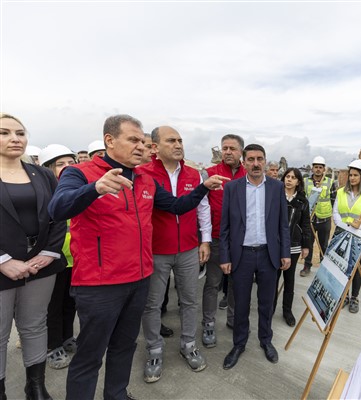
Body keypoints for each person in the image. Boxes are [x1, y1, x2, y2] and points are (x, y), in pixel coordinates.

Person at [48, 114, 228, 400]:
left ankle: (117, 394)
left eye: (142, 141)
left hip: (139, 279)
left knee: (124, 346)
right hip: (99, 285)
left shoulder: (146, 178)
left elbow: (177, 206)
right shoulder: (81, 173)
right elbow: (57, 209)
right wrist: (94, 189)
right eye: (133, 140)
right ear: (110, 140)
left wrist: (203, 188)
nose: (140, 147)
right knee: (91, 355)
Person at [0, 113, 67, 400]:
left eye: (20, 132)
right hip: (3, 266)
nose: (15, 138)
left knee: (34, 324)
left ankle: (35, 385)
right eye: (4, 133)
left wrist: (49, 253)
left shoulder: (41, 174)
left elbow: (58, 214)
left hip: (40, 263)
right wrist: (2, 260)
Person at [138, 126, 212, 383]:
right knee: (152, 303)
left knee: (190, 300)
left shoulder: (193, 173)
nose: (179, 144)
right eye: (172, 140)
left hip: (189, 249)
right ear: (155, 147)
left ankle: (188, 344)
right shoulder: (142, 174)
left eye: (180, 140)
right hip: (156, 250)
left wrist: (205, 240)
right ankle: (155, 350)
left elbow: (203, 208)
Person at [220, 144, 291, 370]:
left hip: (268, 254)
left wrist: (285, 252)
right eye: (251, 159)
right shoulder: (232, 188)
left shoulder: (276, 187)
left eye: (260, 159)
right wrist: (225, 256)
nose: (256, 164)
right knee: (241, 304)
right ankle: (239, 344)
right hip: (242, 255)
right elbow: (225, 227)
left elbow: (282, 224)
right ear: (244, 161)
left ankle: (265, 340)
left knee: (266, 303)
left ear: (265, 160)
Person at [201, 134, 246, 349]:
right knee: (212, 283)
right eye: (224, 148)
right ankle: (208, 322)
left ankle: (233, 318)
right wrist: (205, 240)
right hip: (217, 239)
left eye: (232, 148)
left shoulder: (250, 176)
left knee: (237, 284)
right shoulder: (211, 175)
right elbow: (202, 209)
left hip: (242, 241)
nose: (227, 152)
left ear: (241, 152)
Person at [38, 145, 79, 371]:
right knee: (52, 305)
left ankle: (66, 337)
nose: (66, 168)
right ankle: (53, 346)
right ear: (48, 168)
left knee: (70, 302)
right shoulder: (43, 193)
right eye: (60, 164)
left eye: (70, 163)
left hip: (74, 258)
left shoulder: (75, 190)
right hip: (51, 260)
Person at [333, 159, 361, 314]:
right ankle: (344, 296)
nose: (352, 178)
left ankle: (354, 298)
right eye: (350, 175)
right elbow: (336, 211)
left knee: (356, 267)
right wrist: (343, 226)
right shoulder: (341, 192)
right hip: (342, 233)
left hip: (359, 236)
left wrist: (357, 227)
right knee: (342, 266)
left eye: (355, 175)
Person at [273, 167, 312, 327]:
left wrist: (306, 246)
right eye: (287, 177)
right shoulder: (275, 196)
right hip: (275, 245)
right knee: (273, 280)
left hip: (294, 246)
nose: (289, 180)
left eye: (293, 178)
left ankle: (287, 311)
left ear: (298, 182)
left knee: (289, 280)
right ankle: (270, 309)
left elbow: (305, 224)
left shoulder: (302, 201)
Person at [300, 156, 337, 277]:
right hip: (309, 218)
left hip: (324, 218)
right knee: (308, 243)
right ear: (312, 168)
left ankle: (323, 267)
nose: (318, 169)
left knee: (324, 244)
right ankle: (307, 266)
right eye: (316, 167)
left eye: (320, 167)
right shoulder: (305, 181)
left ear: (324, 169)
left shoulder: (330, 182)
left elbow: (333, 199)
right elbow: (302, 198)